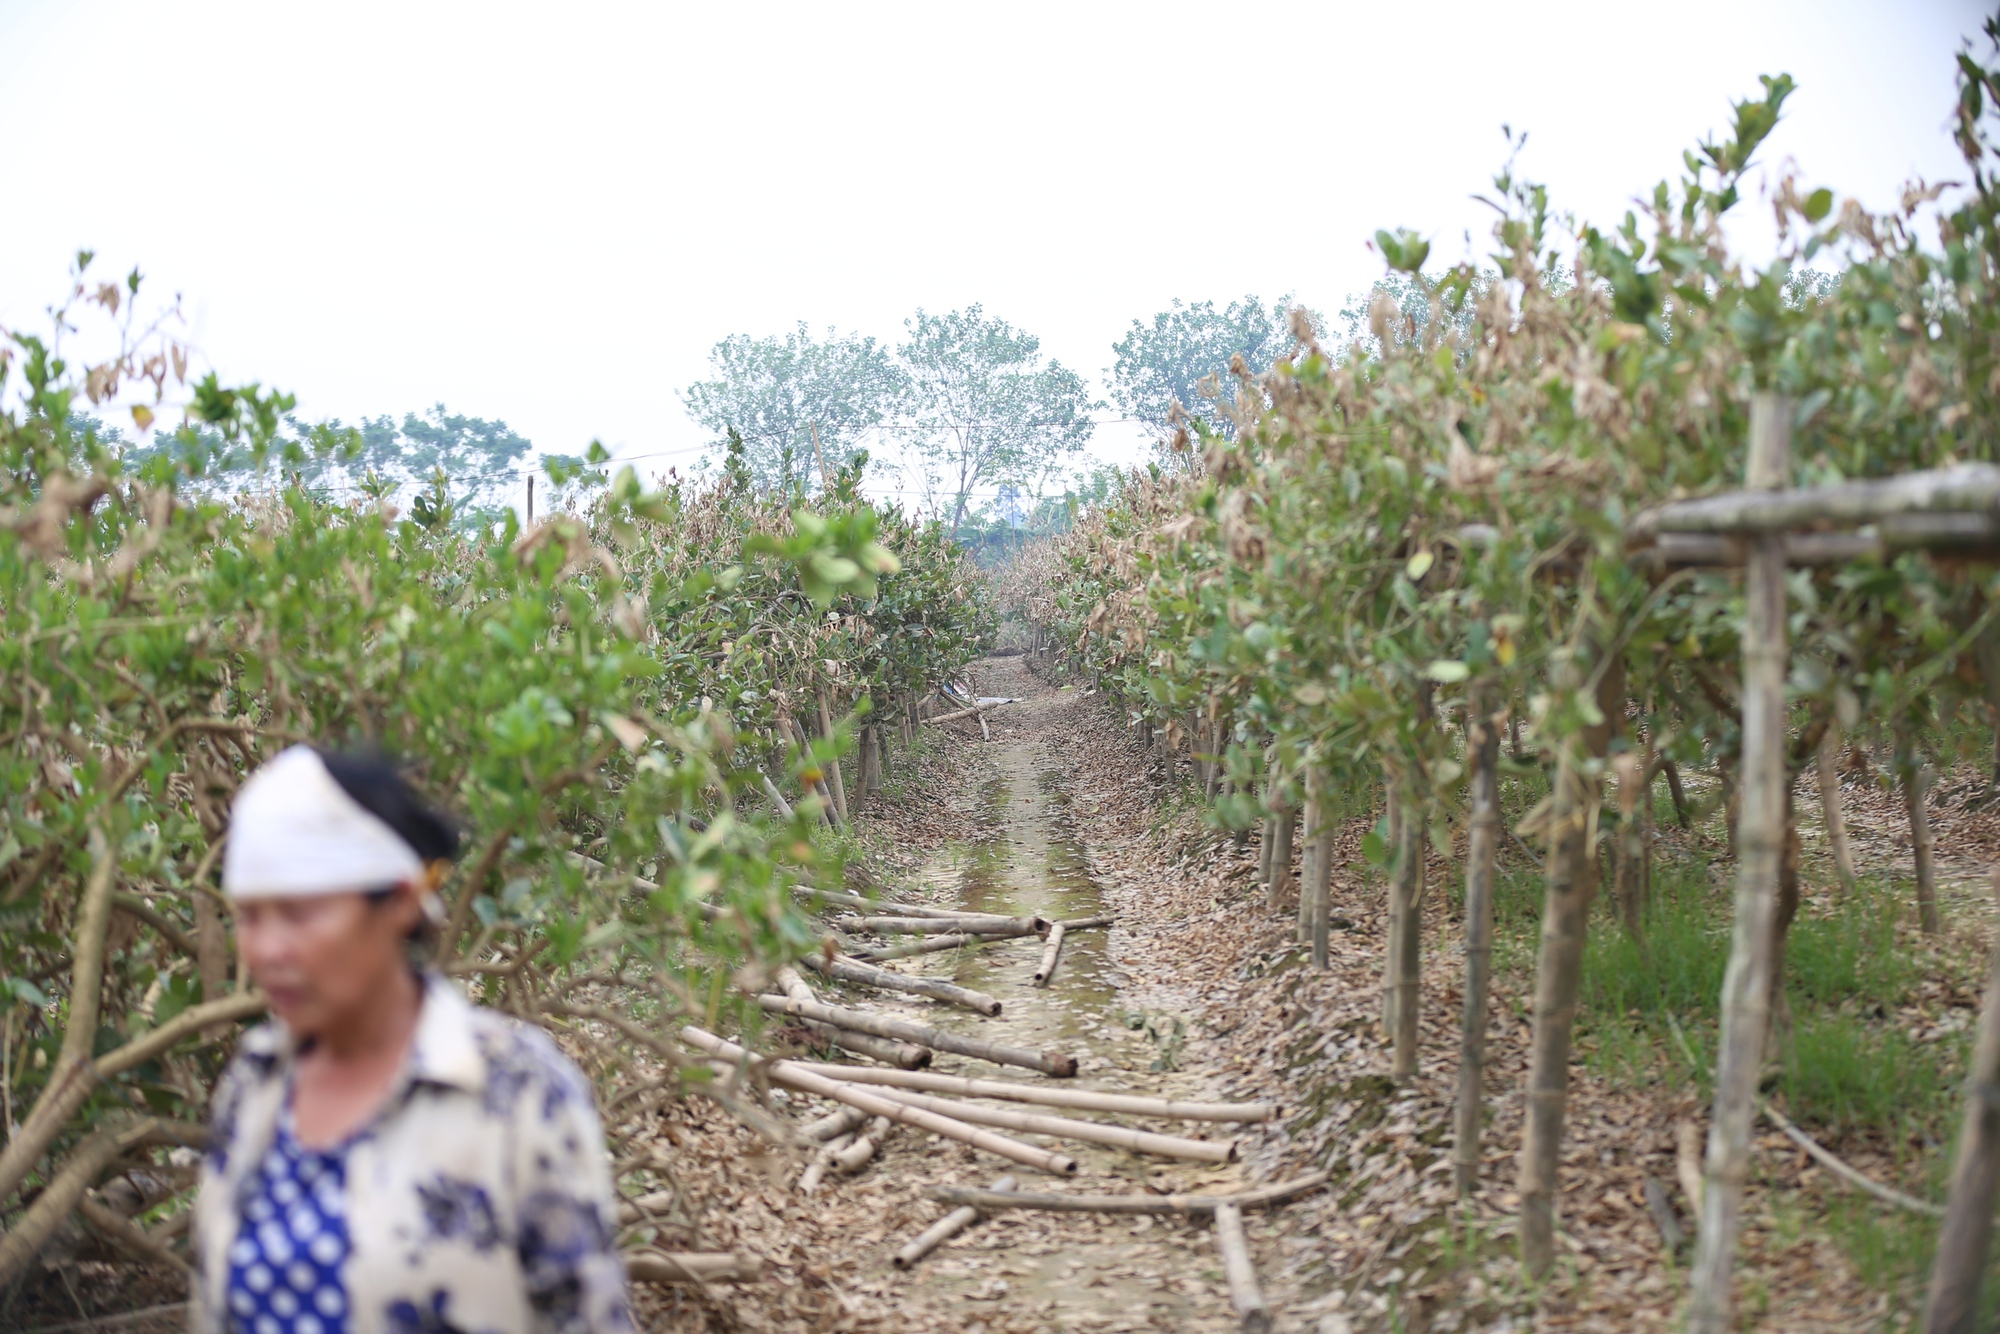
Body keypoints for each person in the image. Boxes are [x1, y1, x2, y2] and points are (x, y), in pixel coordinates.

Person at [191, 745, 632, 1334]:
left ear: (399, 901)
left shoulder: (516, 1091)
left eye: (298, 913)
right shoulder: (253, 1084)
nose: (267, 950)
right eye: (249, 915)